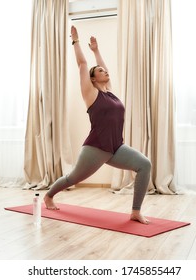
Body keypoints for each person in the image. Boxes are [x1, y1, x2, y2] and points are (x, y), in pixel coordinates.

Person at [43, 25, 152, 224]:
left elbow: (101, 67)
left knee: (144, 165)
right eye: (100, 71)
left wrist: (96, 51)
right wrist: (75, 41)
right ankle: (49, 195)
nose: (105, 71)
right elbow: (83, 65)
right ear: (93, 78)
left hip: (116, 147)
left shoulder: (110, 92)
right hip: (95, 148)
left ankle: (136, 211)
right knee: (72, 178)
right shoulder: (91, 93)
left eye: (105, 70)